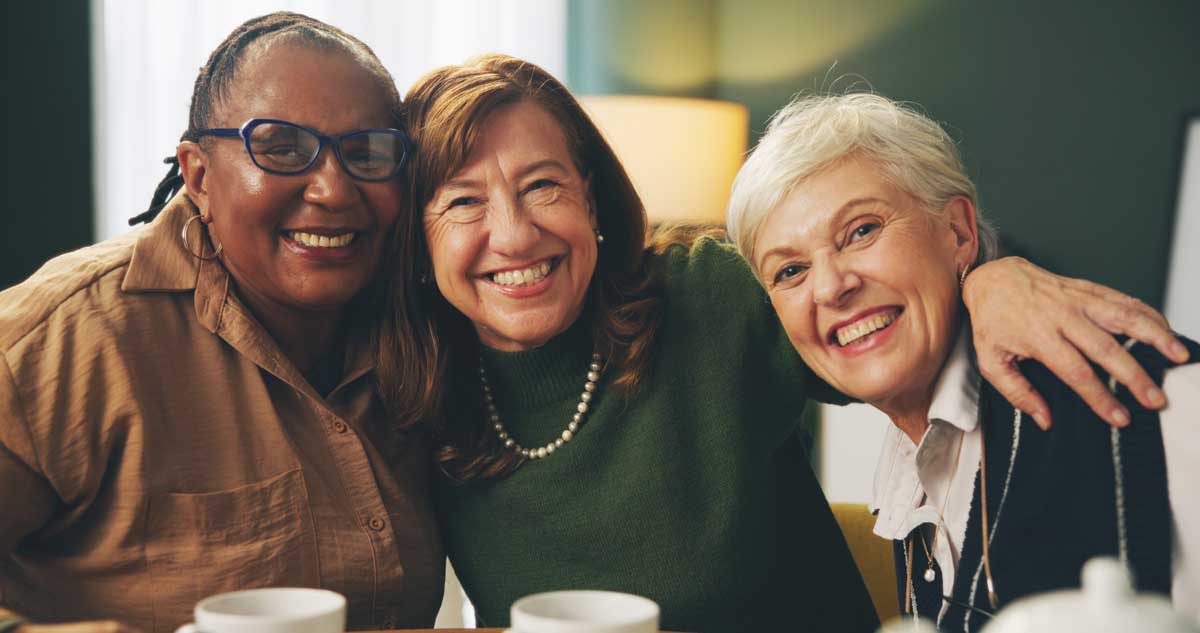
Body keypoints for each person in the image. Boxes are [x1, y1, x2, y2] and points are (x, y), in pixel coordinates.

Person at [380, 54, 1187, 632]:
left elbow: (886, 315)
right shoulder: (409, 394)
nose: (514, 234)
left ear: (589, 195)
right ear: (416, 239)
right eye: (462, 202)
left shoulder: (708, 293)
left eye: (542, 184)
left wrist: (992, 275)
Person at [0, 13, 442, 633]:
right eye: (282, 148)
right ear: (198, 177)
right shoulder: (66, 337)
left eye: (367, 152)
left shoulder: (421, 333)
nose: (334, 191)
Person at [726, 92, 1200, 630]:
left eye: (862, 231)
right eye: (790, 271)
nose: (832, 287)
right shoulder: (906, 476)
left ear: (958, 232)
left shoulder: (1156, 399)